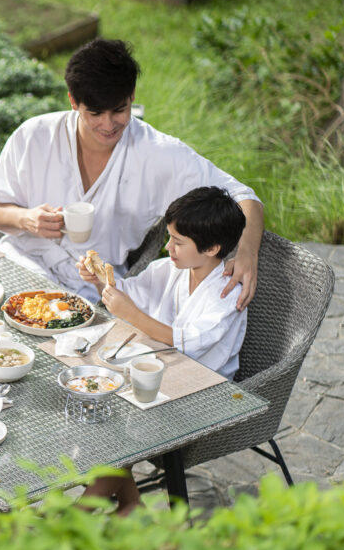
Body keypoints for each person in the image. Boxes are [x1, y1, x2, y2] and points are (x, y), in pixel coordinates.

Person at [0, 38, 264, 311]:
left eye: (119, 110)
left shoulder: (158, 154)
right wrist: (25, 219)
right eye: (95, 113)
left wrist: (247, 253)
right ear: (73, 101)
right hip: (18, 262)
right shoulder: (34, 136)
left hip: (89, 291)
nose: (108, 125)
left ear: (132, 96)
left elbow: (244, 197)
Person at [76, 186, 249, 514]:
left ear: (212, 248)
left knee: (117, 423)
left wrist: (130, 313)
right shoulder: (174, 269)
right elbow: (128, 290)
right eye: (170, 237)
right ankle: (129, 502)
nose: (168, 248)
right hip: (161, 372)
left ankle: (73, 520)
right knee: (92, 395)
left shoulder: (227, 295)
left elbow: (185, 339)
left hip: (203, 392)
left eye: (178, 242)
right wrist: (100, 280)